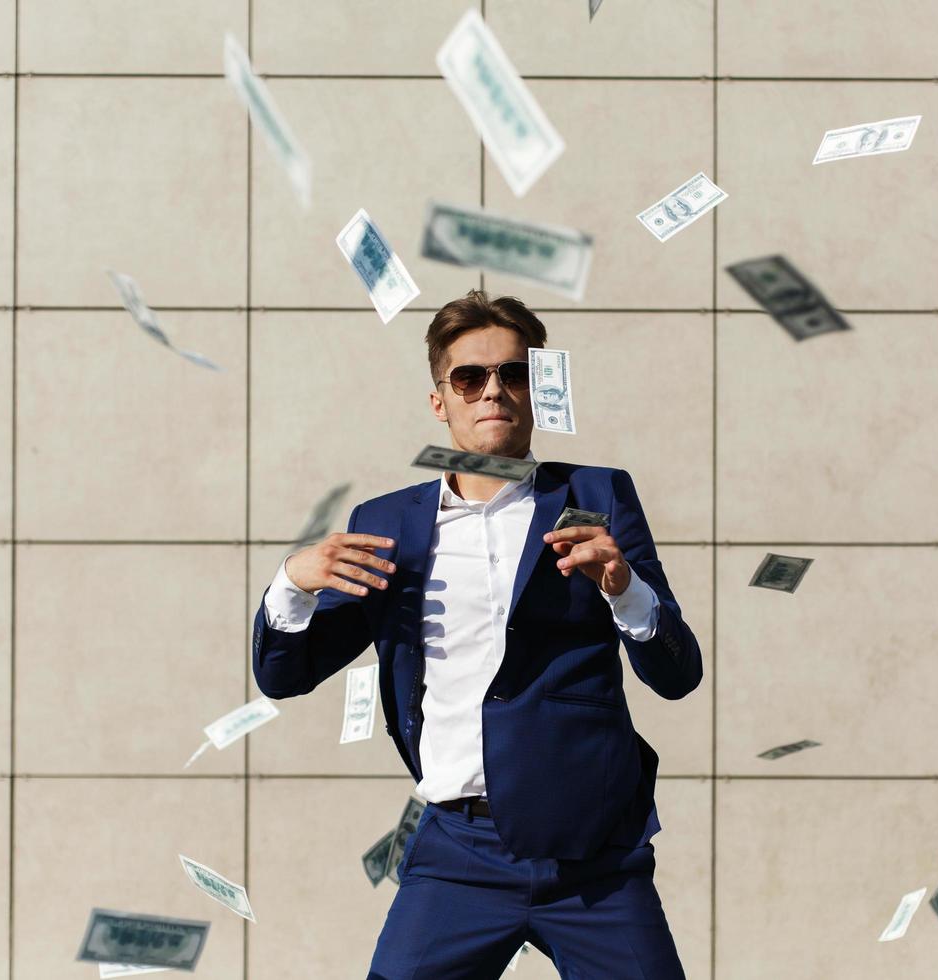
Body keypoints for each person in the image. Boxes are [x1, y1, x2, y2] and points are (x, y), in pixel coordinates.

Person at [252, 289, 703, 979]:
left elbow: (678, 674)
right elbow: (284, 675)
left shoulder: (597, 496)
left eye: (514, 374)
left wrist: (627, 591)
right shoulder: (391, 523)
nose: (494, 390)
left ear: (539, 389)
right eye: (470, 377)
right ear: (441, 400)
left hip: (594, 857)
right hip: (457, 853)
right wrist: (293, 583)